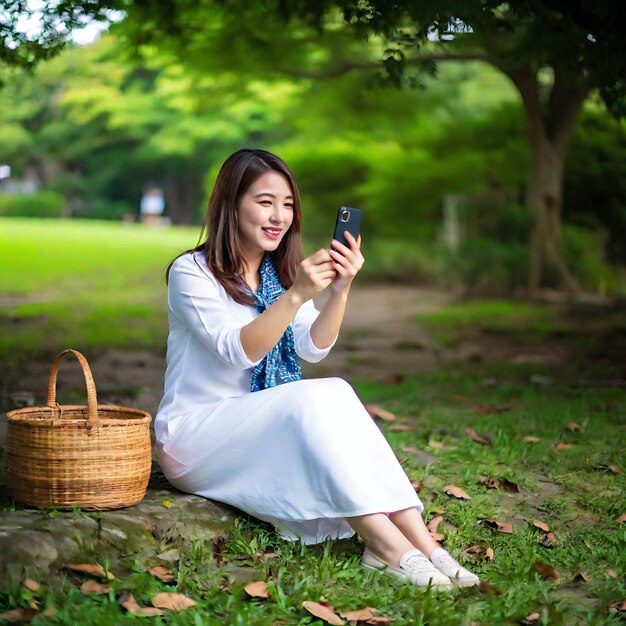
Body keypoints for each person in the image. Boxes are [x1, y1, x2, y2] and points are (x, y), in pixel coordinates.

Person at [154, 148, 479, 590]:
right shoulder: (192, 272)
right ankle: (386, 547)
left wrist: (339, 291)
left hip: (259, 427)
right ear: (231, 204)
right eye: (265, 201)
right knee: (313, 395)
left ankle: (423, 544)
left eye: (287, 204)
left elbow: (313, 346)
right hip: (194, 437)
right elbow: (238, 350)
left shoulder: (274, 275)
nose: (279, 216)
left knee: (334, 389)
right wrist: (296, 295)